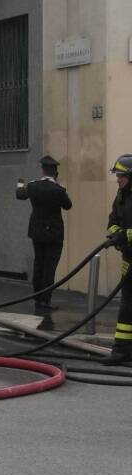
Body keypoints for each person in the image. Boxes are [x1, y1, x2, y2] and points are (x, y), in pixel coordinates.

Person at [15, 155, 72, 316]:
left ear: (42, 170)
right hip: (54, 234)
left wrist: (20, 182)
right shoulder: (58, 190)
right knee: (49, 267)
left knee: (38, 264)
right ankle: (46, 300)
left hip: (37, 232)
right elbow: (68, 206)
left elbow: (19, 194)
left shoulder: (33, 186)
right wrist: (60, 188)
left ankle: (37, 297)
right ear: (55, 173)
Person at [102, 153, 132, 365]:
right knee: (127, 305)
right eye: (117, 175)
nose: (118, 179)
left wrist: (126, 235)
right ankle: (122, 350)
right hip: (128, 259)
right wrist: (115, 234)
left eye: (121, 175)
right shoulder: (121, 196)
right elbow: (113, 220)